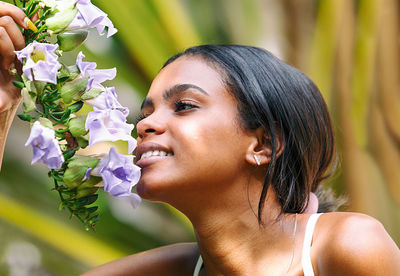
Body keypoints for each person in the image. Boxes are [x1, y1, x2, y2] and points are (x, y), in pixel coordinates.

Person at [1, 3, 400, 275]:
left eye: (185, 106)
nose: (145, 126)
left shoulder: (347, 246)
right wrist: (5, 107)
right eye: (146, 113)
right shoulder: (168, 269)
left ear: (263, 145)